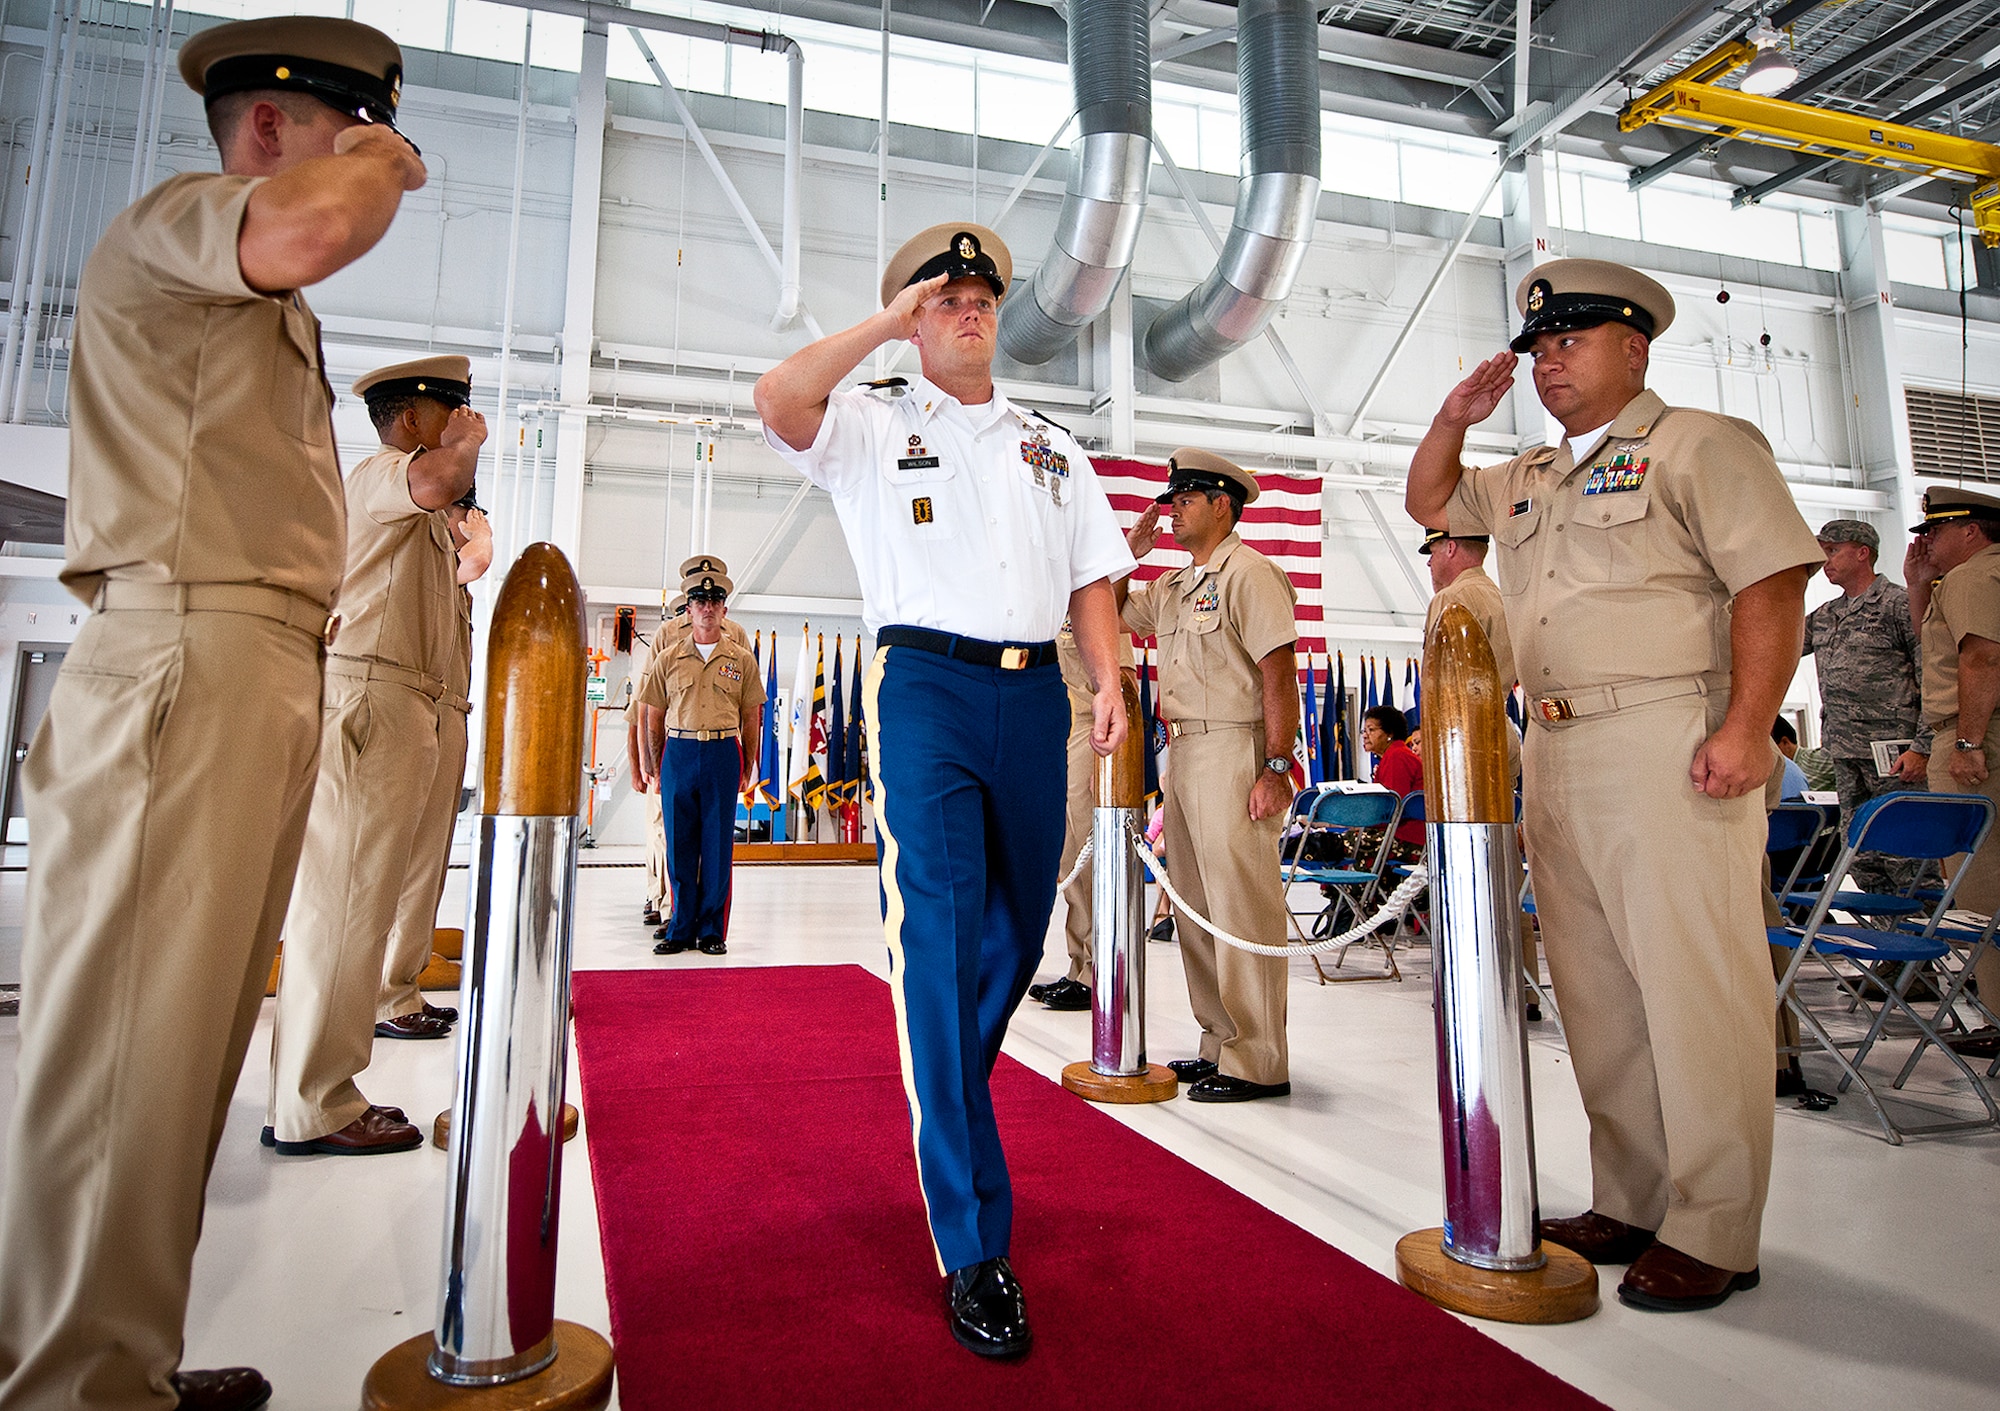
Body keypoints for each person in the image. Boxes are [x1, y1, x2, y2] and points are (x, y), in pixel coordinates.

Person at [0, 16, 425, 1409]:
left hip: (253, 665)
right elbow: (314, 228)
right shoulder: (185, 225)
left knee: (175, 1054)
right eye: (349, 133)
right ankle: (74, 1381)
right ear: (268, 132)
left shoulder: (249, 295)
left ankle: (114, 1356)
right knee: (125, 1051)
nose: (374, 168)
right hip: (187, 656)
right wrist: (381, 160)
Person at [1405, 257, 1820, 1313]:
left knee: (1693, 987)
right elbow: (1428, 500)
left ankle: (1715, 1224)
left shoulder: (1697, 445)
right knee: (1594, 992)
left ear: (1633, 348)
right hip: (1552, 743)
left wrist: (1743, 728)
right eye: (1539, 345)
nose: (1549, 359)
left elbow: (1767, 584)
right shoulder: (1531, 474)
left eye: (1571, 340)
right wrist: (1455, 416)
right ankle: (1630, 1197)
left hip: (1667, 735)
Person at [753, 222, 1131, 1360]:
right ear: (914, 314)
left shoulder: (1048, 445)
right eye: (944, 295)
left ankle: (940, 1082)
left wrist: (1109, 678)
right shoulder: (869, 419)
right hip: (922, 689)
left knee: (1012, 940)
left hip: (1034, 698)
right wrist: (885, 321)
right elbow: (776, 397)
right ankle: (973, 1243)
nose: (967, 307)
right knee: (937, 940)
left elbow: (1090, 573)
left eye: (980, 294)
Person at [267, 356, 485, 1150]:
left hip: (407, 701)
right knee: (341, 902)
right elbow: (443, 479)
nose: (464, 422)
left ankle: (323, 1085)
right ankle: (312, 1102)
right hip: (369, 696)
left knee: (364, 899)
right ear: (414, 419)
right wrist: (463, 450)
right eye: (451, 411)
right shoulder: (380, 475)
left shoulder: (420, 501)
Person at [1120, 450, 1299, 1104]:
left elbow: (1278, 673)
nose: (1172, 508)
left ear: (1223, 503)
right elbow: (1112, 609)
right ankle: (1218, 1039)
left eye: (1186, 497)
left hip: (1234, 748)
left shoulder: (1250, 574)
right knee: (1195, 907)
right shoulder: (1171, 585)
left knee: (1240, 905)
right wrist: (1128, 554)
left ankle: (1258, 1056)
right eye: (1172, 497)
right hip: (1184, 752)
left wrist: (1276, 766)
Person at [376, 491, 493, 1035]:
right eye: (463, 513)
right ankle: (387, 996)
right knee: (403, 863)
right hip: (417, 709)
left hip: (448, 711)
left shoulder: (449, 567)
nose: (470, 523)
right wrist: (482, 539)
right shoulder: (432, 554)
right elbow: (475, 562)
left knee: (428, 863)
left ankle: (403, 987)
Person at [1903, 487, 2000, 1058]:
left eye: (1934, 531)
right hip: (1976, 732)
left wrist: (1966, 741)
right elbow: (1938, 651)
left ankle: (1997, 1015)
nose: (1924, 542)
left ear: (1971, 531)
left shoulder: (1974, 577)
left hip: (1975, 739)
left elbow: (1980, 658)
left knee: (1982, 885)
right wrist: (1918, 589)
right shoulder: (1963, 582)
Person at [634, 570, 764, 956]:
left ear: (724, 610)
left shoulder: (741, 660)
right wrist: (656, 765)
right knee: (679, 845)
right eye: (699, 603)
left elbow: (751, 716)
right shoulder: (668, 659)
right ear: (688, 611)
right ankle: (680, 927)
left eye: (714, 603)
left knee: (718, 844)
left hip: (724, 751)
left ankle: (711, 930)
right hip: (680, 753)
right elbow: (653, 715)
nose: (707, 609)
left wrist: (748, 765)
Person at [1803, 517, 1929, 896]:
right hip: (1846, 753)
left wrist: (1922, 746)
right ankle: (1893, 952)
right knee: (1862, 856)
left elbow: (1930, 678)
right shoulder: (1826, 615)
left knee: (1905, 854)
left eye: (1831, 551)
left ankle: (1920, 946)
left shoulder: (1898, 604)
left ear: (1862, 553)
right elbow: (1774, 643)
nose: (1825, 561)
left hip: (1894, 754)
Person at [1025, 619, 1134, 1012]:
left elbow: (1121, 684)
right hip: (1052, 732)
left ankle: (1100, 971)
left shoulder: (1097, 603)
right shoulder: (1050, 604)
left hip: (1090, 734)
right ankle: (1079, 965)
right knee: (1069, 857)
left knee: (1091, 860)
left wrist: (1108, 765)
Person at [1359, 704, 1425, 861]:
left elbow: (1392, 807)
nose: (1365, 735)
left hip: (1408, 837)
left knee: (1335, 846)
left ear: (1389, 733)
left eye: (1371, 730)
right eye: (1364, 730)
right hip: (1397, 833)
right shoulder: (1394, 755)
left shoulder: (1397, 757)